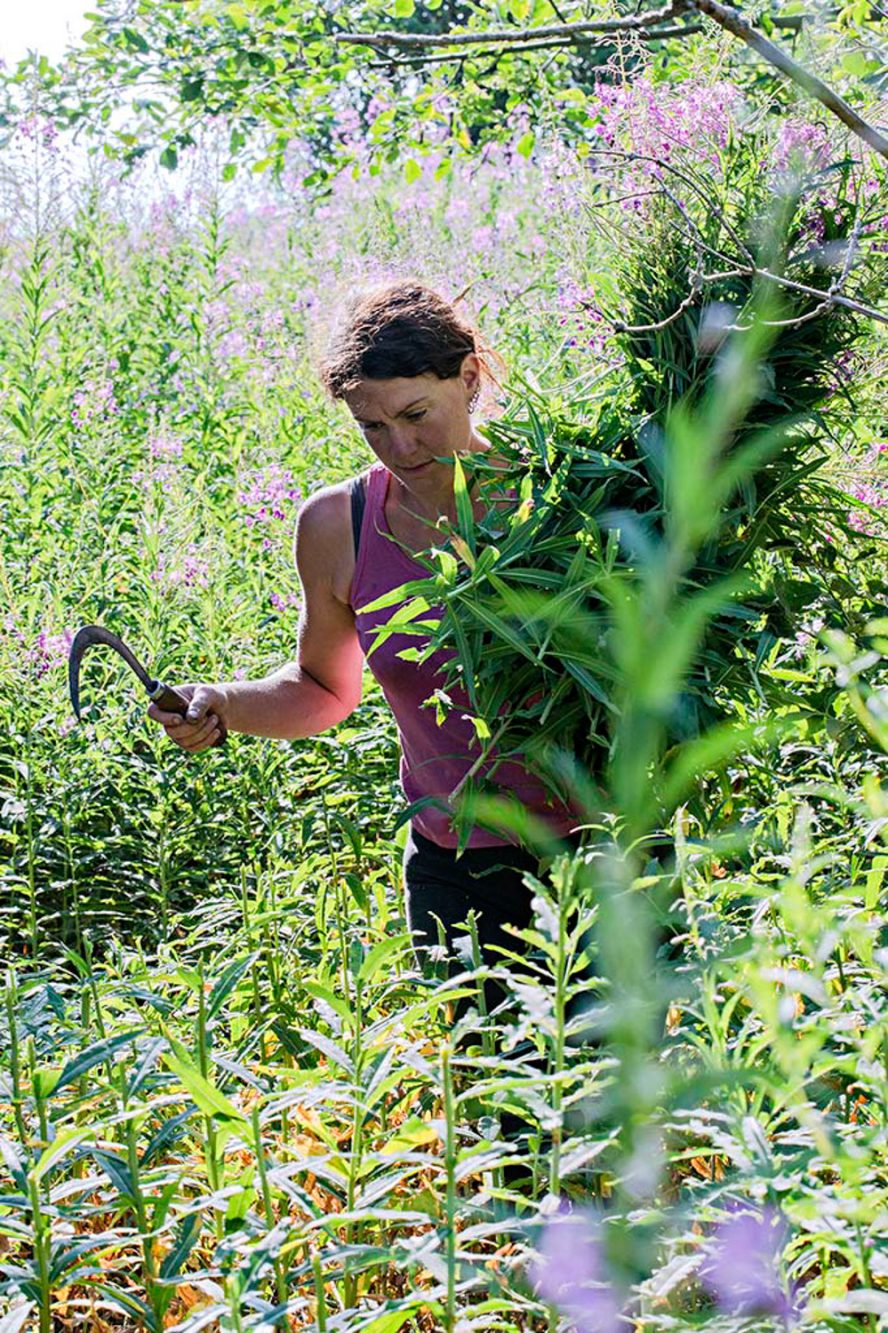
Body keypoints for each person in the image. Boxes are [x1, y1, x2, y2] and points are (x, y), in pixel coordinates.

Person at [148, 281, 577, 978]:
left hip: (598, 853)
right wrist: (223, 700)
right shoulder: (337, 527)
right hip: (454, 868)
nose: (400, 447)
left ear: (468, 378)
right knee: (482, 1080)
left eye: (415, 414)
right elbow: (323, 686)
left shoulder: (561, 490)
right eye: (371, 427)